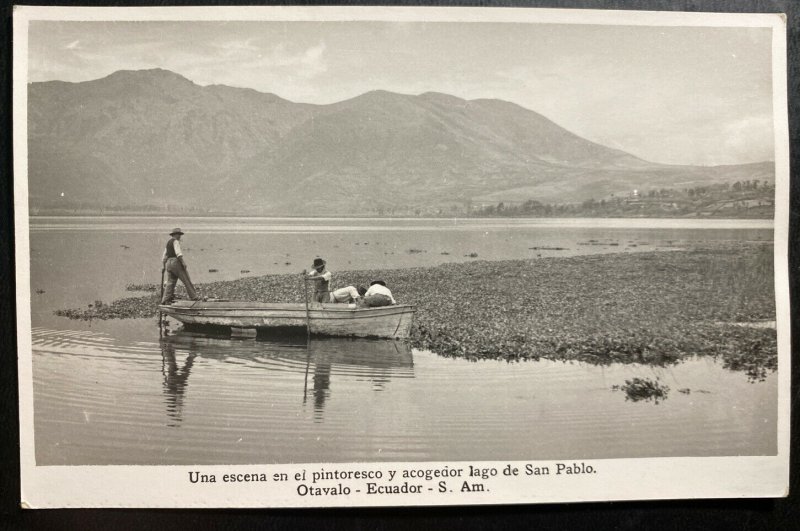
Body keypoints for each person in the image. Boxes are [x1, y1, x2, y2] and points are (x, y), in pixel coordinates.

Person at [161, 228, 199, 304]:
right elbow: (178, 254)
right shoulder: (175, 242)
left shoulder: (168, 243)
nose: (180, 236)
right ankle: (194, 297)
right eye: (179, 234)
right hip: (175, 262)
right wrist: (183, 263)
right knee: (186, 279)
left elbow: (164, 257)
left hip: (168, 263)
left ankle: (165, 300)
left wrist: (163, 267)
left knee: (170, 282)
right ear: (175, 235)